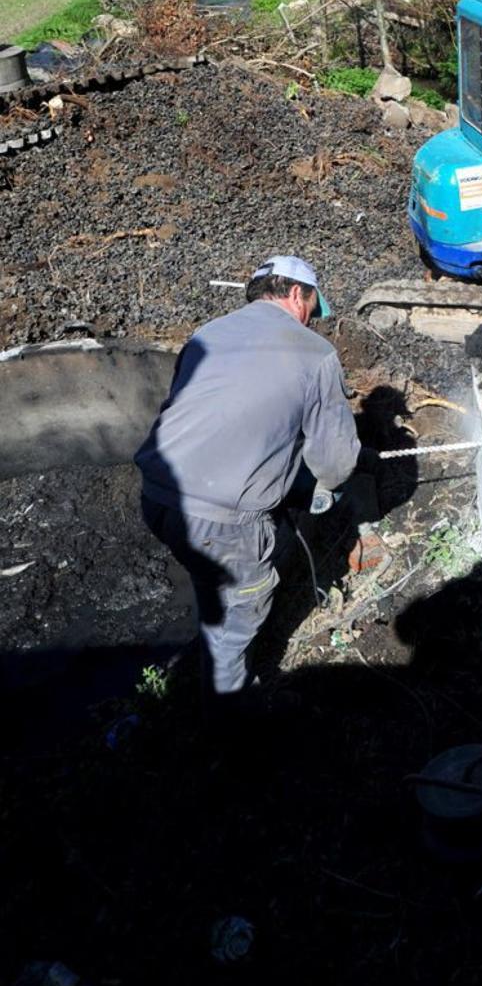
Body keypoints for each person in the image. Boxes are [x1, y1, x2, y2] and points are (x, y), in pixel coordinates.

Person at [136, 254, 364, 698]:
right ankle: (228, 724)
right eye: (313, 310)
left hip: (158, 497)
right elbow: (336, 463)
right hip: (223, 523)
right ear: (297, 293)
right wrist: (325, 491)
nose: (312, 323)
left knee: (211, 581)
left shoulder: (209, 333)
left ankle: (212, 634)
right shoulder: (317, 355)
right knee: (238, 620)